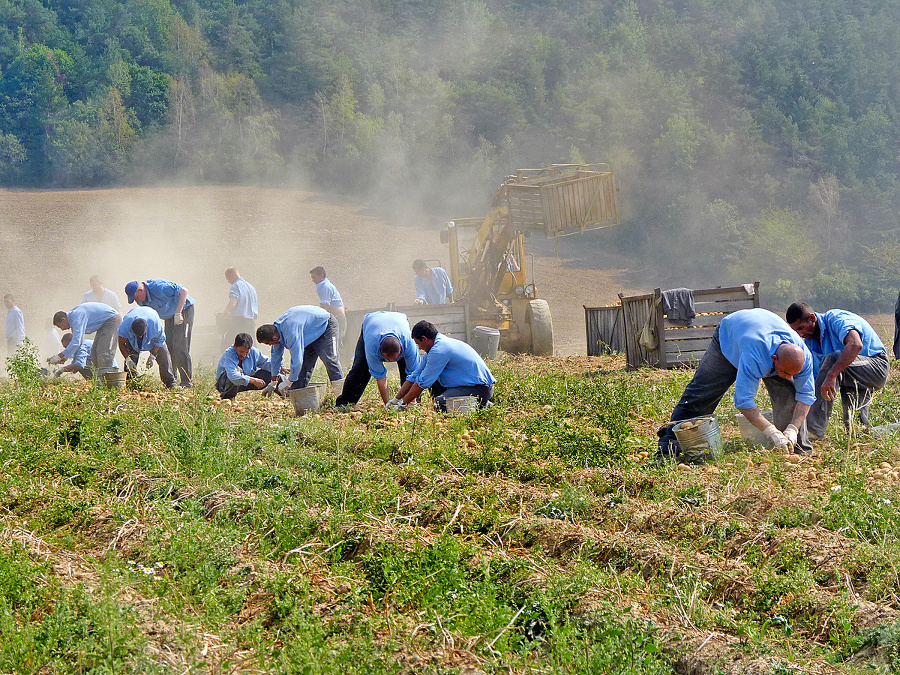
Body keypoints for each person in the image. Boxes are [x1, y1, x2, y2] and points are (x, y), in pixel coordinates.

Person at [657, 308, 816, 459]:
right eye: (786, 373)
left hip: (761, 331)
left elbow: (806, 396)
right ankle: (670, 445)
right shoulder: (754, 355)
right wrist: (771, 431)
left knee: (789, 396)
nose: (789, 377)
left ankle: (795, 447)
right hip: (729, 337)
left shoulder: (803, 357)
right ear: (774, 359)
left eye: (793, 373)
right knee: (701, 394)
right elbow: (743, 402)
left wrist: (793, 428)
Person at [786, 302, 889, 438]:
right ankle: (885, 430)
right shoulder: (810, 344)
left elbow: (855, 345)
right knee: (856, 430)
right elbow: (815, 380)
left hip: (875, 367)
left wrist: (831, 375)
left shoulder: (836, 319)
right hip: (852, 373)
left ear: (812, 318)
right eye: (796, 331)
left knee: (834, 359)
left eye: (801, 328)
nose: (800, 334)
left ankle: (814, 429)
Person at [391, 320, 495, 410]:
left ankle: (481, 405)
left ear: (424, 339)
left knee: (441, 403)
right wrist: (395, 400)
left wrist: (403, 404)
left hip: (480, 388)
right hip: (468, 385)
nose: (420, 348)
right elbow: (415, 376)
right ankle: (479, 404)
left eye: (418, 343)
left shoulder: (440, 350)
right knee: (433, 380)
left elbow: (421, 383)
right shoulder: (433, 348)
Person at [334, 311, 422, 407]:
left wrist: (411, 402)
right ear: (380, 349)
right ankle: (345, 403)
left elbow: (413, 375)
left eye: (395, 357)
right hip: (372, 324)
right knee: (361, 367)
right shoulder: (372, 346)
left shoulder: (409, 344)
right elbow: (380, 378)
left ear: (401, 347)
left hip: (399, 321)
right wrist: (388, 404)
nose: (391, 361)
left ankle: (412, 403)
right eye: (387, 357)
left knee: (407, 371)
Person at [256, 305, 344, 393]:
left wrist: (289, 381)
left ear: (274, 338)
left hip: (325, 325)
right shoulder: (276, 332)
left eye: (268, 343)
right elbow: (276, 359)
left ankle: (340, 394)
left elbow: (297, 361)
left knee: (329, 359)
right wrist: (273, 382)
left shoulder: (291, 333)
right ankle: (297, 395)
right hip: (309, 333)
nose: (269, 345)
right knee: (304, 367)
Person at [125, 279, 194, 387]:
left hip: (183, 310)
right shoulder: (141, 301)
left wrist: (178, 313)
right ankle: (173, 380)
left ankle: (187, 382)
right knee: (170, 346)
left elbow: (183, 291)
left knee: (179, 346)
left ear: (140, 290)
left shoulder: (159, 287)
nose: (136, 301)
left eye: (136, 297)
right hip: (169, 316)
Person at [49, 302, 122, 373]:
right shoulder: (74, 319)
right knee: (94, 352)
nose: (62, 329)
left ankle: (108, 378)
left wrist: (59, 356)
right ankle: (100, 379)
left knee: (103, 351)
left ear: (63, 319)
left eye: (60, 326)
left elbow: (76, 342)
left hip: (112, 319)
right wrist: (65, 357)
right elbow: (78, 342)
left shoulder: (76, 316)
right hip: (104, 323)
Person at [117, 306, 177, 389]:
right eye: (139, 335)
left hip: (153, 338)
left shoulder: (155, 326)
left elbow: (159, 341)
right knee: (131, 360)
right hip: (133, 340)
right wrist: (127, 359)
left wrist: (153, 355)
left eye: (142, 335)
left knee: (164, 357)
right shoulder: (125, 327)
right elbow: (121, 343)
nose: (141, 337)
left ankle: (170, 383)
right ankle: (131, 384)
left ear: (146, 325)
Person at [215, 332, 281, 399]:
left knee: (274, 372)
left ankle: (286, 393)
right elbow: (232, 376)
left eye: (246, 352)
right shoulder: (229, 354)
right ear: (235, 346)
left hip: (246, 381)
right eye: (241, 351)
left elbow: (267, 363)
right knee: (237, 370)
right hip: (225, 383)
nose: (244, 355)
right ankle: (227, 398)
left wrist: (280, 367)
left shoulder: (254, 352)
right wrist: (253, 380)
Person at [217, 268, 258, 351]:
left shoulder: (236, 286)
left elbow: (233, 303)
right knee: (251, 346)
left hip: (239, 322)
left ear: (231, 276)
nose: (228, 282)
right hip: (251, 322)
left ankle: (229, 363)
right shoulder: (250, 287)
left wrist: (224, 313)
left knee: (231, 345)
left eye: (228, 279)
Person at [310, 266, 347, 341]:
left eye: (314, 277)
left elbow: (325, 306)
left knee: (335, 343)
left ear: (322, 276)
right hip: (336, 318)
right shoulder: (323, 286)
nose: (313, 280)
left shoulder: (325, 287)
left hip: (338, 318)